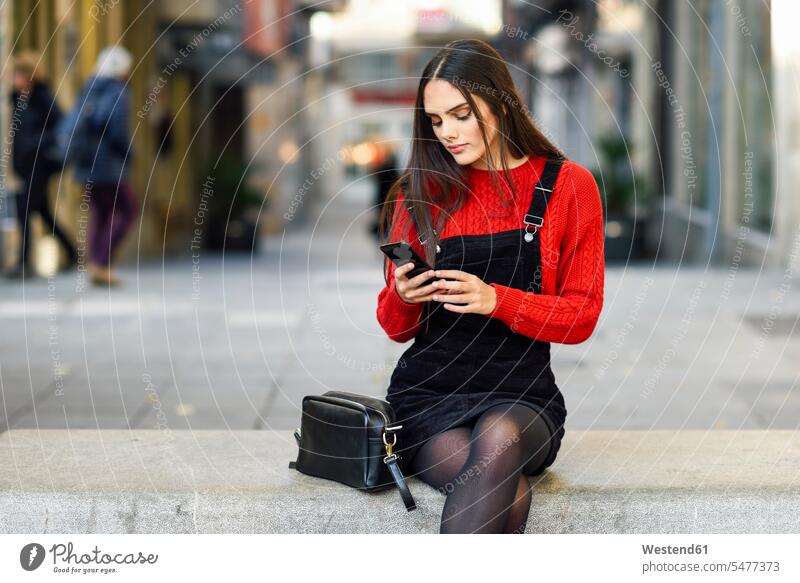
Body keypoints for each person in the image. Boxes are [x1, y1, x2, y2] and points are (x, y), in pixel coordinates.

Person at [376, 39, 605, 533]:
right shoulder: (418, 194)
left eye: (461, 114)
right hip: (429, 396)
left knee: (498, 440)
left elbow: (581, 316)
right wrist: (403, 295)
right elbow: (395, 329)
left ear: (500, 100)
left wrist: (496, 299)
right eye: (436, 121)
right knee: (507, 489)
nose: (449, 134)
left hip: (522, 396)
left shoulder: (569, 187)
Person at [71, 46, 138, 287]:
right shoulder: (118, 91)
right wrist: (129, 154)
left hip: (85, 163)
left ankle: (96, 265)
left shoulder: (88, 88)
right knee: (128, 210)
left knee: (100, 214)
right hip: (108, 164)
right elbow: (116, 130)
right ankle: (102, 262)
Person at [6, 51, 76, 278]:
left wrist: (36, 143)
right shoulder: (17, 100)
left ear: (29, 76)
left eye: (18, 74)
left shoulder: (43, 98)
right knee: (42, 211)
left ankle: (23, 262)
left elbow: (60, 127)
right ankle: (72, 252)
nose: (14, 79)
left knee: (24, 210)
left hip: (40, 164)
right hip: (24, 164)